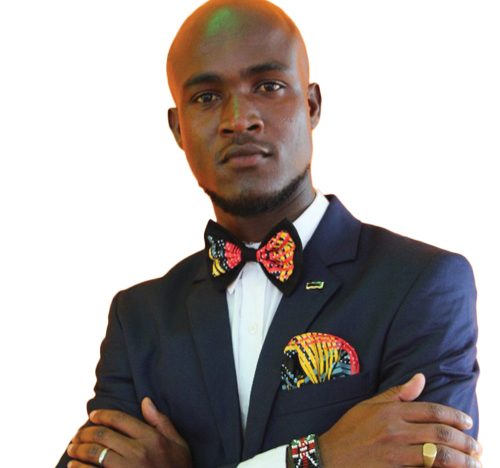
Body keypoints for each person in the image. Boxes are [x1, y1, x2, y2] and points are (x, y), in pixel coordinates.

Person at [58, 1, 481, 467]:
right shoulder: (139, 319)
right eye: (206, 97)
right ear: (179, 129)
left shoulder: (420, 285)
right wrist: (320, 456)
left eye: (268, 86)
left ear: (311, 105)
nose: (239, 119)